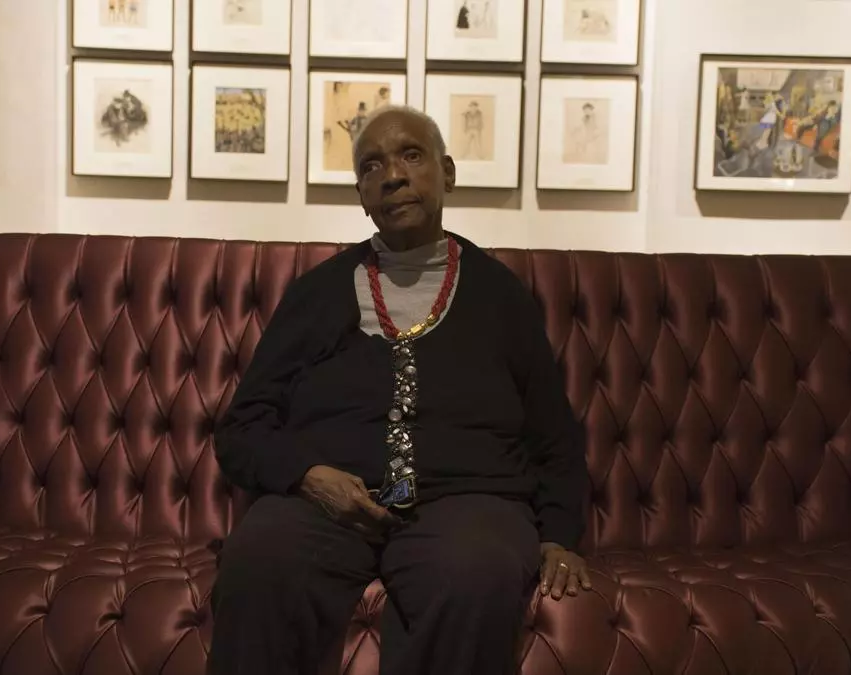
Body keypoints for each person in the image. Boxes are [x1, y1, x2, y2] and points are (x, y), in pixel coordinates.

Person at [208, 105, 590, 675]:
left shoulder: (502, 296)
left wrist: (559, 535)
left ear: (448, 173)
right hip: (324, 508)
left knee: (474, 574)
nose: (392, 176)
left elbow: (553, 433)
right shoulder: (316, 294)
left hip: (471, 506)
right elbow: (243, 427)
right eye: (372, 166)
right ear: (362, 195)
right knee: (259, 562)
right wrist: (308, 477)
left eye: (411, 155)